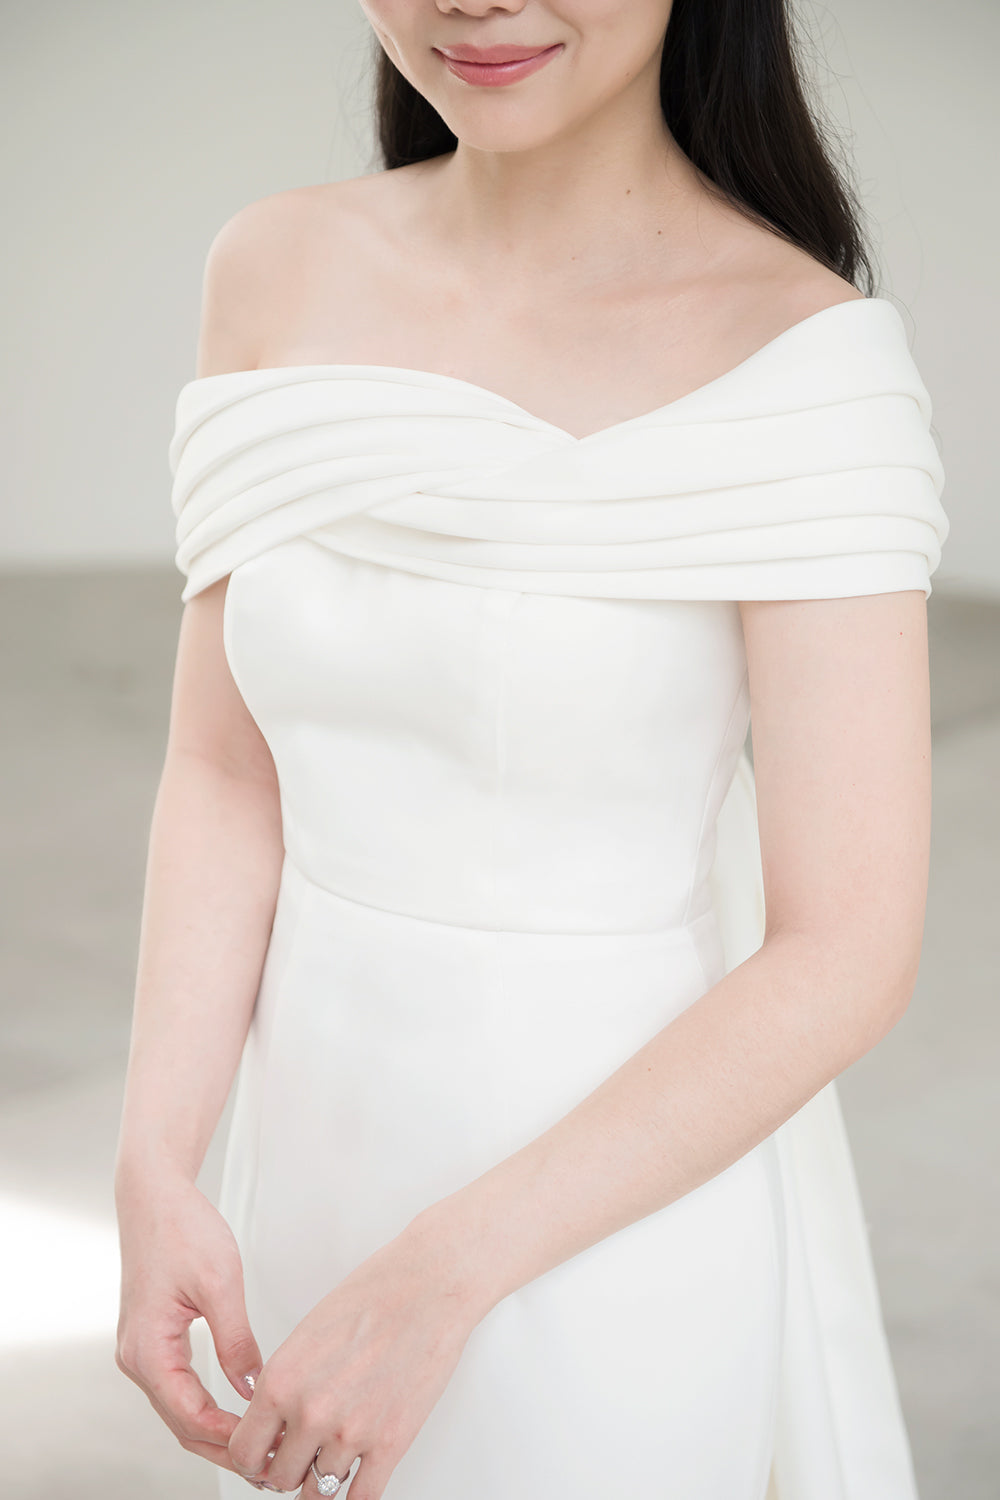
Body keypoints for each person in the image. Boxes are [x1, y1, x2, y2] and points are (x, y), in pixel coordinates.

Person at [113, 3, 950, 1498]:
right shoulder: (272, 270)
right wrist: (158, 1159)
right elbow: (229, 771)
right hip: (305, 1176)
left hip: (602, 1232)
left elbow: (847, 948)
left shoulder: (806, 364)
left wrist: (441, 1280)